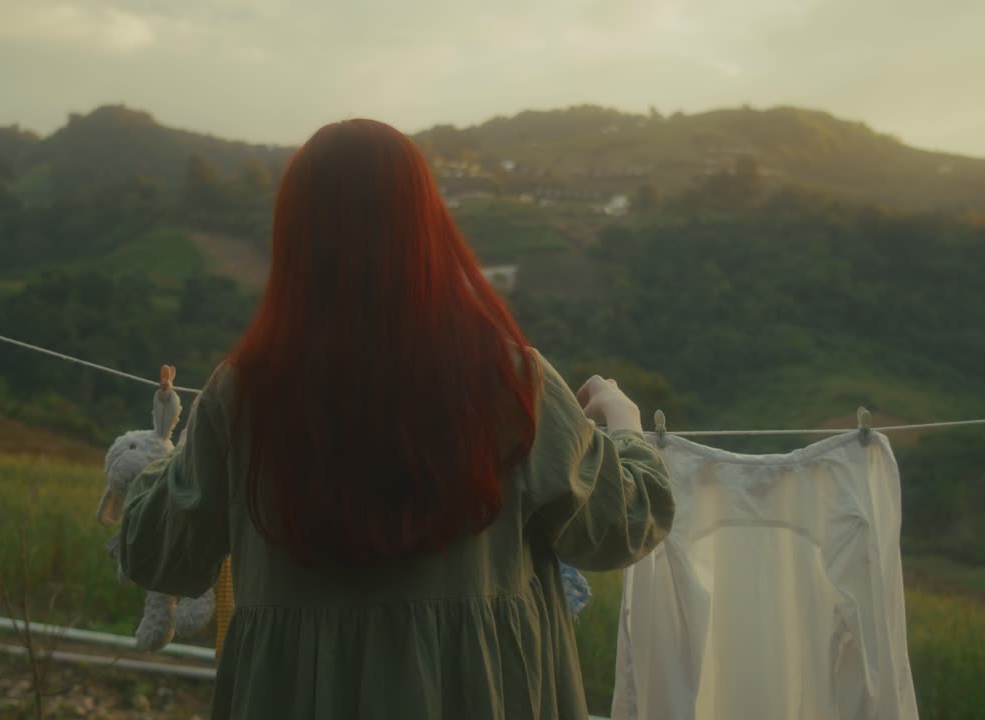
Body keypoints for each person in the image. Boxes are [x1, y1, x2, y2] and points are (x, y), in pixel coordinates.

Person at [117, 119, 676, 719]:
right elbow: (622, 523)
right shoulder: (506, 380)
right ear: (426, 229)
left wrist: (159, 460)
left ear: (295, 239)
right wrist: (624, 428)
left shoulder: (246, 394)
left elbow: (157, 556)